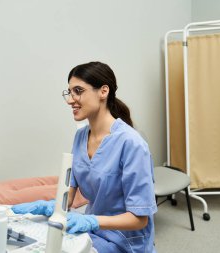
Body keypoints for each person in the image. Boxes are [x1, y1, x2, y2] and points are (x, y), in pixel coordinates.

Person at [12, 61, 157, 253]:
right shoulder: (81, 136)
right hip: (92, 233)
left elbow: (139, 219)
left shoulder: (131, 143)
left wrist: (90, 220)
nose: (70, 100)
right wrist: (47, 207)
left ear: (103, 92)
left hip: (125, 242)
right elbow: (68, 197)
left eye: (78, 91)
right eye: (69, 92)